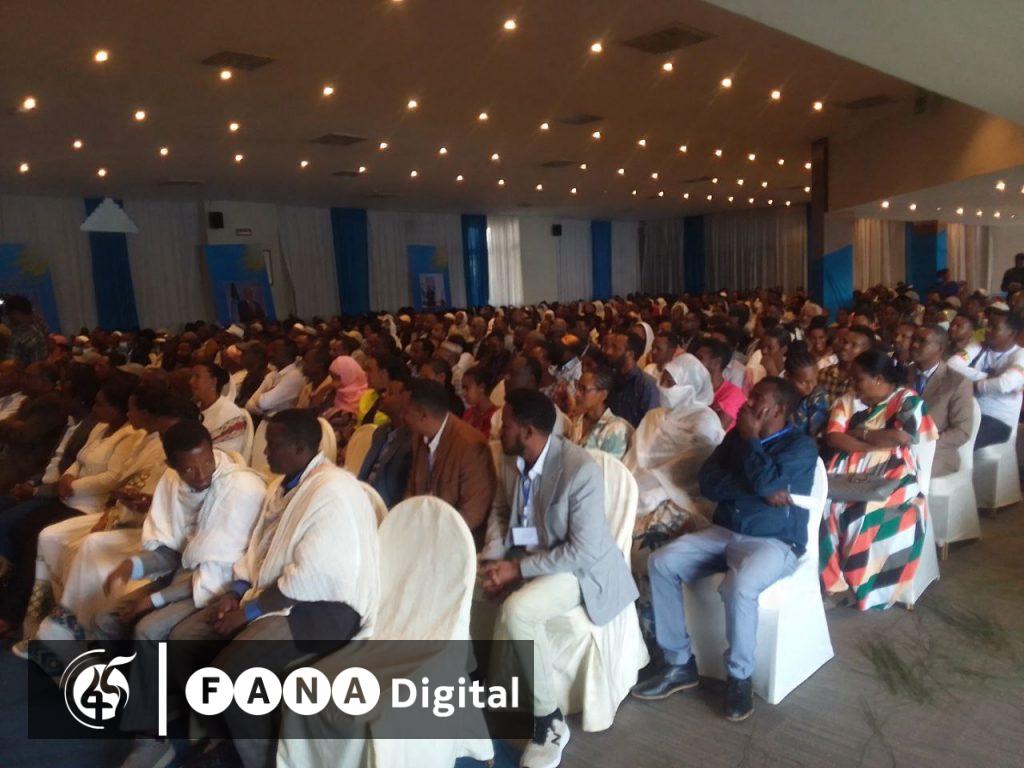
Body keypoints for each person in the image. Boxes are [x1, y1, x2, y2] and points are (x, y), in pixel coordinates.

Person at [124, 409, 379, 768]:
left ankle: (261, 760)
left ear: (300, 447)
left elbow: (313, 576)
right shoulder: (282, 486)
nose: (266, 452)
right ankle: (222, 737)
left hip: (320, 611)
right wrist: (234, 593)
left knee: (234, 673)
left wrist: (249, 611)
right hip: (270, 595)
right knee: (184, 641)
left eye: (273, 445)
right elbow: (258, 553)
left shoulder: (333, 490)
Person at [632, 378, 817, 722]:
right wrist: (757, 489)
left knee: (740, 585)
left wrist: (751, 442)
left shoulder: (800, 447)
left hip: (775, 541)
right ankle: (678, 663)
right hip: (725, 532)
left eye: (758, 398)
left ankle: (739, 677)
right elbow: (709, 482)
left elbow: (768, 483)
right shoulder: (736, 437)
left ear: (779, 409)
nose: (748, 403)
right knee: (662, 562)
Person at [480, 389, 638, 768]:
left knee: (518, 611)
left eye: (507, 424)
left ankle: (548, 720)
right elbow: (501, 510)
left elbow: (582, 551)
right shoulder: (510, 457)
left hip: (577, 568)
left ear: (528, 431)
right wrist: (495, 558)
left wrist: (517, 570)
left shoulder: (579, 470)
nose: (499, 429)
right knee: (470, 586)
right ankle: (491, 687)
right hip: (528, 552)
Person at [0, 378, 141, 637]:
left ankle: (12, 612)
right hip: (68, 495)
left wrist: (74, 485)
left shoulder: (130, 435)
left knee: (35, 538)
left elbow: (112, 477)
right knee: (19, 527)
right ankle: (12, 593)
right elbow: (79, 460)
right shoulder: (100, 428)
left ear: (117, 408)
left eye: (101, 404)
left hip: (89, 504)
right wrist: (68, 476)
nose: (95, 409)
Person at [820, 350, 937, 610]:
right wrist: (873, 443)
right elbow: (834, 437)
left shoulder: (907, 400)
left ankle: (863, 588)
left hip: (893, 474)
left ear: (878, 378)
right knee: (824, 507)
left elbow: (900, 438)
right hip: (845, 473)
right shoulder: (847, 401)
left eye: (859, 379)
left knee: (860, 513)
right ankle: (834, 582)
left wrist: (858, 433)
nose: (853, 385)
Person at [625, 354, 725, 642]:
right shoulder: (653, 417)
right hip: (641, 490)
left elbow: (690, 469)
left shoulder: (704, 420)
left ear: (691, 386)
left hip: (685, 498)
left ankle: (654, 635)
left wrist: (656, 484)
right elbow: (634, 460)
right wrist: (632, 486)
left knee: (641, 546)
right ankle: (624, 629)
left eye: (672, 382)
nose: (664, 387)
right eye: (664, 379)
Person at [405, 379, 496, 544]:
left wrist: (434, 538)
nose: (403, 416)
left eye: (406, 412)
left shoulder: (470, 446)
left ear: (423, 415)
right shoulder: (419, 436)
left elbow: (473, 512)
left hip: (457, 539)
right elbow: (411, 491)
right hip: (422, 531)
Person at [908, 325, 974, 477]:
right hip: (897, 446)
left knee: (904, 474)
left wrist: (923, 444)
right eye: (913, 339)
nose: (914, 345)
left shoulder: (957, 382)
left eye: (922, 341)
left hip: (936, 453)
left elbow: (961, 432)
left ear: (940, 348)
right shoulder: (902, 374)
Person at [0, 362, 69, 492]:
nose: (23, 380)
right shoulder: (29, 401)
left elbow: (23, 436)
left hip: (25, 468)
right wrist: (10, 425)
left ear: (45, 381)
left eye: (29, 377)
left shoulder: (51, 404)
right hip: (10, 461)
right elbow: (11, 426)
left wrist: (8, 425)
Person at [965, 309, 1024, 449]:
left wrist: (974, 386)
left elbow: (1005, 384)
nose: (987, 330)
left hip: (998, 421)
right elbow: (952, 366)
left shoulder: (1020, 354)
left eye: (994, 327)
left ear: (1011, 333)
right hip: (969, 411)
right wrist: (988, 379)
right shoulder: (979, 346)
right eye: (988, 325)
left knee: (960, 440)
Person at [357, 381, 414, 509]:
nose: (383, 395)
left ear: (405, 404)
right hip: (363, 497)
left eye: (390, 393)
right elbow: (365, 473)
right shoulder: (381, 432)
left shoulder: (412, 441)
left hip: (386, 507)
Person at [568, 367, 634, 461]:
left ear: (603, 395)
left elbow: (608, 468)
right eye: (577, 387)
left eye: (583, 389)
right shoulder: (577, 419)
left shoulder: (615, 429)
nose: (577, 394)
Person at [190, 361, 248, 454]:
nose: (191, 381)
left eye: (197, 377)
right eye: (191, 377)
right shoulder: (193, 408)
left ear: (213, 382)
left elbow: (225, 455)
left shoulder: (231, 413)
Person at [604, 332, 660, 428]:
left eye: (615, 348)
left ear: (630, 354)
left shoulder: (646, 385)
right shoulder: (611, 377)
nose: (609, 352)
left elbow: (650, 426)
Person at [693, 336, 745, 430]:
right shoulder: (694, 386)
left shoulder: (733, 394)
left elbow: (716, 431)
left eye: (699, 358)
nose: (693, 362)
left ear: (716, 363)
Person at [818, 324, 876, 409]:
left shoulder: (867, 383)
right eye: (845, 342)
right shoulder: (823, 374)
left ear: (866, 351)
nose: (845, 347)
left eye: (854, 345)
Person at [246, 338, 304, 418]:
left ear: (286, 354)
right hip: (265, 422)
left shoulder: (294, 376)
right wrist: (263, 409)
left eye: (275, 351)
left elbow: (264, 403)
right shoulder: (273, 375)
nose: (270, 354)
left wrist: (259, 400)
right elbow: (249, 405)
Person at [784, 345, 829, 439]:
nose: (810, 387)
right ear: (787, 376)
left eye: (814, 380)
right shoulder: (779, 394)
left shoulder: (817, 397)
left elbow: (816, 436)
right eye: (803, 382)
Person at [3, 294, 48, 367]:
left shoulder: (19, 336)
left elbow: (10, 366)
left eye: (9, 315)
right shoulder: (41, 324)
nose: (9, 319)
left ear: (16, 313)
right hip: (43, 370)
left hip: (25, 372)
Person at [461, 365, 498, 439]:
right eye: (463, 388)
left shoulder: (495, 416)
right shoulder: (468, 413)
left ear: (482, 387)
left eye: (467, 388)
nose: (464, 393)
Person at [233, 342, 269, 409]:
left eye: (245, 353)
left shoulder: (264, 378)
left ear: (256, 357)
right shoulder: (251, 374)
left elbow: (249, 405)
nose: (241, 355)